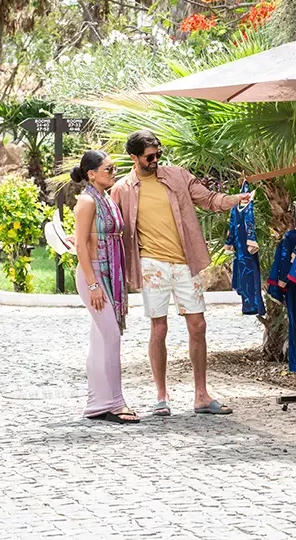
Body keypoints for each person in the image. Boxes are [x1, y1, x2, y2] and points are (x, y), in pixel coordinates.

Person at [111, 130, 249, 417]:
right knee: (158, 328)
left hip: (185, 261)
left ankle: (201, 395)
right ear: (134, 157)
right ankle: (161, 395)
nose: (156, 159)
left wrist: (236, 200)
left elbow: (209, 199)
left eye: (158, 154)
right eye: (149, 156)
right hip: (151, 265)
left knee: (198, 325)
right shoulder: (123, 189)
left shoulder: (177, 176)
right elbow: (114, 228)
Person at [71, 150, 139, 423]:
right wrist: (93, 284)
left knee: (100, 339)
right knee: (111, 337)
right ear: (91, 174)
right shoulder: (87, 201)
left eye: (114, 169)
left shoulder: (106, 199)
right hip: (95, 275)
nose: (113, 173)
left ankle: (97, 403)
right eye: (108, 169)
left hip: (110, 273)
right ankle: (114, 401)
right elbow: (80, 245)